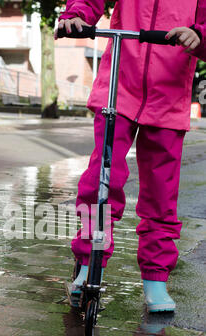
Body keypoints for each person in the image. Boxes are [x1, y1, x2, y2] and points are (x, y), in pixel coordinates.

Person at [55, 0, 206, 312]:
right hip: (118, 87)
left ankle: (155, 278)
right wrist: (75, 15)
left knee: (162, 194)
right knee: (102, 179)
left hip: (169, 94)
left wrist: (199, 35)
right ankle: (87, 264)